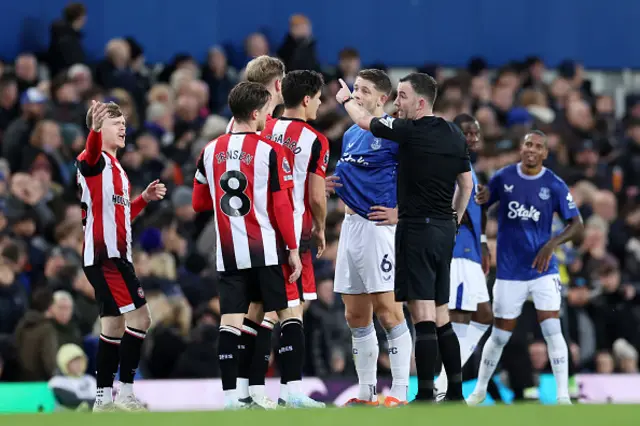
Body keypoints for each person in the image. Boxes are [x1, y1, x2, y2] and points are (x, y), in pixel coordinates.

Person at [336, 73, 473, 402]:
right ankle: (453, 393)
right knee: (440, 316)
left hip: (412, 228)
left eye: (403, 96)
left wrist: (344, 101)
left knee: (416, 315)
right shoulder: (453, 133)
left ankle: (418, 393)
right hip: (441, 228)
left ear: (421, 102)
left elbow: (369, 123)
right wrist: (454, 219)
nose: (400, 102)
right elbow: (467, 184)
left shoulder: (405, 132)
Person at [191, 81, 305, 410]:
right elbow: (282, 207)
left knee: (231, 321)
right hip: (266, 248)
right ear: (255, 113)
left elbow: (199, 203)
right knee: (288, 314)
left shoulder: (209, 150)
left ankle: (233, 398)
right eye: (268, 111)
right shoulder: (269, 151)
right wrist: (293, 249)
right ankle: (293, 392)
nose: (269, 117)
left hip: (228, 253)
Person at [466, 131, 584, 405]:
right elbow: (482, 205)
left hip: (543, 271)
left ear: (545, 153)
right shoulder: (504, 177)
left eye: (538, 146)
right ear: (522, 148)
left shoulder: (554, 184)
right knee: (499, 335)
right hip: (509, 272)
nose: (532, 149)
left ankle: (563, 395)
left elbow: (576, 224)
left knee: (552, 329)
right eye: (528, 144)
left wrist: (551, 244)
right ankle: (480, 390)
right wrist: (483, 241)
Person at [326, 69, 411, 407]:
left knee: (389, 311)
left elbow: (424, 180)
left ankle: (401, 393)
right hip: (351, 228)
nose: (356, 94)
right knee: (355, 315)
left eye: (363, 90)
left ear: (382, 99)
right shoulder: (349, 134)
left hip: (379, 229)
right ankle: (367, 394)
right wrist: (334, 183)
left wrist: (401, 213)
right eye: (354, 88)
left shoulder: (394, 133)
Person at [77, 101, 167, 412]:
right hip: (108, 257)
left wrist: (142, 198)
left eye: (124, 122)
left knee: (113, 327)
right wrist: (93, 132)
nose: (123, 127)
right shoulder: (95, 161)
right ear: (99, 129)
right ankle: (126, 394)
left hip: (108, 256)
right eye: (115, 122)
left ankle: (102, 400)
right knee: (141, 319)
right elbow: (87, 159)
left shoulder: (117, 170)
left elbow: (122, 216)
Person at [255, 69, 329, 408]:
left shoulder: (264, 126)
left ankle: (249, 390)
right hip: (292, 232)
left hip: (255, 230)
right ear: (305, 99)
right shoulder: (315, 139)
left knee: (262, 310)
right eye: (317, 98)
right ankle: (290, 392)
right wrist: (322, 227)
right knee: (293, 311)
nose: (319, 104)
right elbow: (315, 197)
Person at [224, 55, 286, 409]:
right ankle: (256, 390)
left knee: (250, 315)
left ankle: (243, 393)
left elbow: (205, 197)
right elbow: (275, 198)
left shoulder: (224, 138)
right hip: (264, 236)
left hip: (233, 237)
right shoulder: (265, 136)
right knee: (270, 312)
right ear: (277, 85)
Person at [434, 114, 493, 400]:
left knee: (483, 316)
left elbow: (473, 208)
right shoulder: (449, 160)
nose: (473, 138)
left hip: (471, 248)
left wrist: (483, 241)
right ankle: (443, 387)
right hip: (457, 250)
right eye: (468, 132)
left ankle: (442, 382)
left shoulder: (468, 165)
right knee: (458, 317)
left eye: (476, 133)